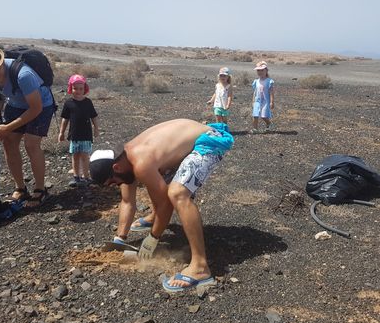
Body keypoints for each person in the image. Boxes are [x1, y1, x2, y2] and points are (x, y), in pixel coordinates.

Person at [89, 119, 234, 292]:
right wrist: (120, 239)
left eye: (113, 182)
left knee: (177, 193)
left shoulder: (140, 162)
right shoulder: (124, 160)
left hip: (209, 140)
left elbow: (166, 205)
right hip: (189, 143)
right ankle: (153, 218)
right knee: (158, 181)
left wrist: (154, 237)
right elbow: (127, 201)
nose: (116, 184)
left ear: (116, 167)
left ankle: (200, 268)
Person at [0, 43, 55, 208]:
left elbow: (36, 108)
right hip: (15, 104)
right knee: (8, 142)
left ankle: (40, 189)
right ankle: (20, 188)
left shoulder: (24, 75)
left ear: (2, 62)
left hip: (41, 105)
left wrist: (7, 127)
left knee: (31, 144)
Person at [58, 74, 99, 187]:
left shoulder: (88, 102)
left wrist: (96, 128)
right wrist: (61, 132)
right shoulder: (68, 103)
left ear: (84, 89)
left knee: (85, 156)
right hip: (74, 135)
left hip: (86, 135)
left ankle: (86, 177)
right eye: (75, 88)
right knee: (75, 156)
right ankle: (76, 177)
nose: (78, 91)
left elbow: (94, 116)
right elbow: (65, 119)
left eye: (81, 88)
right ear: (71, 88)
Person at [251, 60, 275, 133]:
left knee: (263, 116)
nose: (260, 72)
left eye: (262, 70)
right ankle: (255, 129)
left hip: (265, 101)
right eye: (258, 70)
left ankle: (269, 123)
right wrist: (253, 101)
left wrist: (272, 102)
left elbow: (271, 92)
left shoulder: (269, 81)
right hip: (257, 100)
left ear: (266, 71)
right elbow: (255, 92)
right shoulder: (256, 81)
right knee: (255, 115)